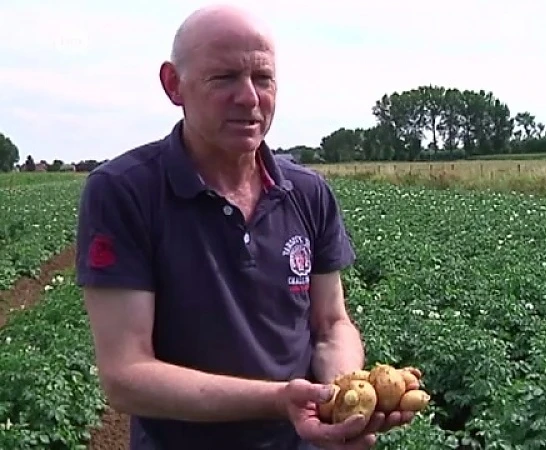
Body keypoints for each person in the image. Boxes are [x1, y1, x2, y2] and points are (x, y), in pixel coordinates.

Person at [75, 5, 414, 449]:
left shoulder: (307, 192)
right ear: (174, 85)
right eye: (224, 78)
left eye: (263, 78)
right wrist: (278, 400)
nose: (250, 98)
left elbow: (331, 324)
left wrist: (340, 395)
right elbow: (126, 375)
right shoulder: (124, 192)